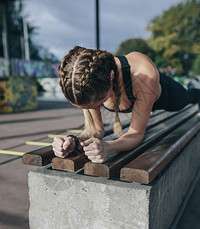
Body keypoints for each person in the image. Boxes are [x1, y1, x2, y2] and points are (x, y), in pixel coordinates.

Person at [52, 46, 200, 163]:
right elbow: (96, 130)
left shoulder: (144, 74)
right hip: (140, 98)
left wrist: (109, 148)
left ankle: (196, 89)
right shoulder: (86, 82)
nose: (92, 110)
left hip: (165, 95)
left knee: (187, 98)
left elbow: (136, 134)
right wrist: (73, 141)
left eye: (97, 104)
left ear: (111, 77)